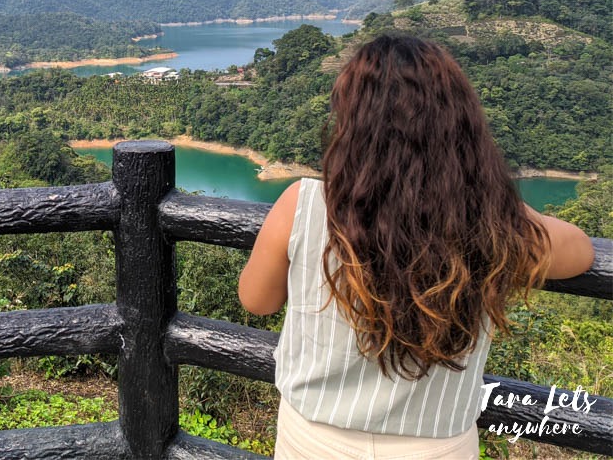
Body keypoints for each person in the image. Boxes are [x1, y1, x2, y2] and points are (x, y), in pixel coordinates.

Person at [238, 34, 594, 460]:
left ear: (352, 122)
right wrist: (493, 200)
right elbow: (581, 253)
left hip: (311, 438)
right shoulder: (485, 222)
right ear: (461, 126)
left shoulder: (304, 205)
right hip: (437, 445)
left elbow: (256, 300)